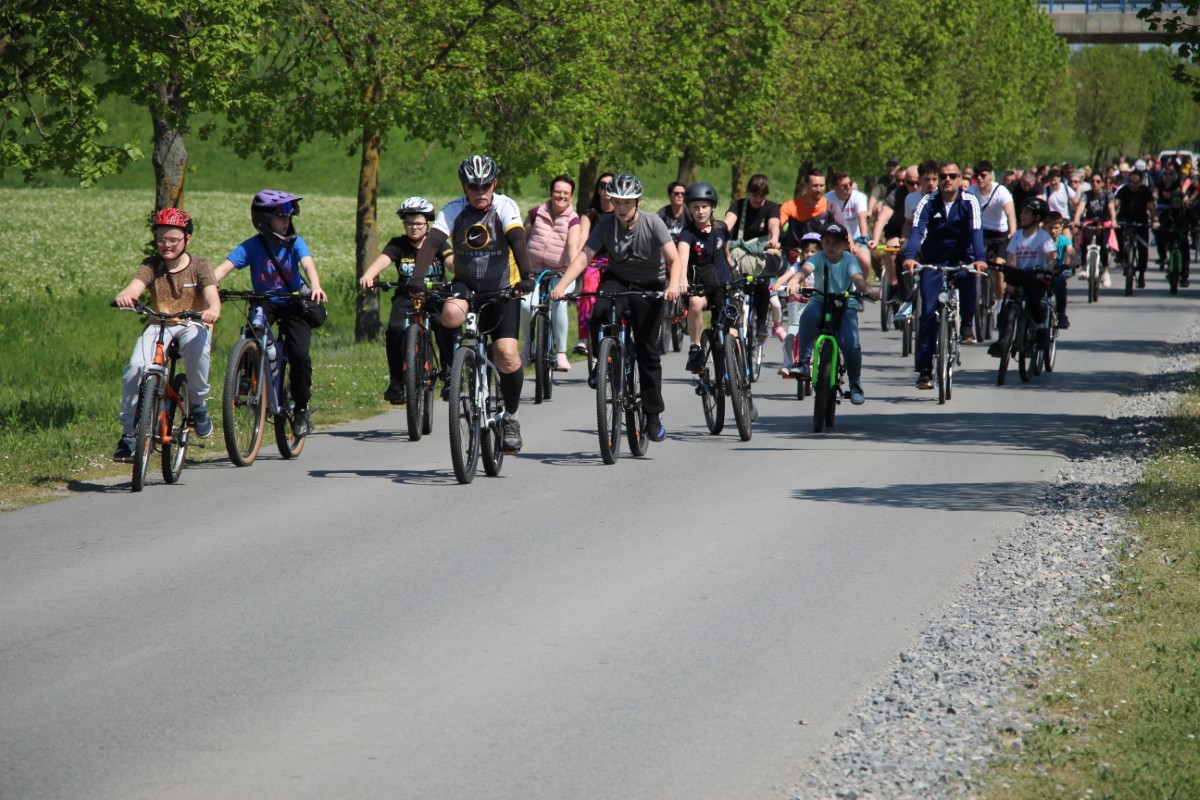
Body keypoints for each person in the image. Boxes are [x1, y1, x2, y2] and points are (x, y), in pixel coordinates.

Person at [408, 154, 536, 453]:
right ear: (463, 186)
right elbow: (432, 242)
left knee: (506, 354)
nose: (480, 192)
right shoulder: (454, 209)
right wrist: (417, 277)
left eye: (485, 185)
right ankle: (452, 370)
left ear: (495, 184)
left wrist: (527, 275)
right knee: (450, 314)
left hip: (502, 288)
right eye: (473, 186)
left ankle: (511, 418)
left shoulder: (505, 206)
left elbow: (517, 240)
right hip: (466, 284)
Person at [552, 173, 683, 441]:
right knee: (598, 313)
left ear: (637, 201)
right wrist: (563, 286)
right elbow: (584, 257)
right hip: (618, 280)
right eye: (617, 202)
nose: (622, 208)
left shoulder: (653, 223)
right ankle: (604, 361)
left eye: (627, 202)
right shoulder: (606, 224)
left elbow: (675, 259)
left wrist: (673, 284)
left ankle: (653, 415)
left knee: (648, 353)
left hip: (650, 283)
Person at [214, 190, 327, 438]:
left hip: (295, 302)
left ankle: (301, 408)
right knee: (251, 331)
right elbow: (223, 269)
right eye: (280, 216)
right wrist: (208, 287)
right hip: (266, 301)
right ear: (264, 220)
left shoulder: (296, 242)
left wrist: (316, 286)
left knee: (299, 354)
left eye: (288, 215)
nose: (286, 220)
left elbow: (307, 264)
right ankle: (248, 377)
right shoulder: (252, 245)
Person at [112, 209, 221, 462]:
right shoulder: (151, 265)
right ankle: (128, 434)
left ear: (187, 239)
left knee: (197, 349)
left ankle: (198, 403)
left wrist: (213, 309)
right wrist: (126, 296)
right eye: (161, 239)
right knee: (134, 368)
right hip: (159, 323)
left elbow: (211, 294)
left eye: (173, 239)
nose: (166, 245)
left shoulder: (200, 264)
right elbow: (135, 286)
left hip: (193, 322)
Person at [359, 196, 453, 404]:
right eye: (409, 223)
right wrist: (369, 275)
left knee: (443, 324)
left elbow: (450, 261)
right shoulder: (398, 244)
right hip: (406, 296)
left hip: (435, 295)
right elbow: (383, 260)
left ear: (427, 223)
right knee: (394, 329)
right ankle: (396, 383)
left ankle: (449, 375)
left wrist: (459, 271)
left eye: (418, 223)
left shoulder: (437, 243)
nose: (414, 227)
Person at [901, 161, 987, 389]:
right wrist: (911, 256)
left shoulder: (970, 201)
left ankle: (967, 324)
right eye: (942, 176)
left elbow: (976, 231)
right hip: (933, 260)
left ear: (960, 179)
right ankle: (925, 371)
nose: (947, 179)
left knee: (968, 277)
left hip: (961, 257)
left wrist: (980, 258)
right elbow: (917, 230)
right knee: (927, 314)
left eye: (952, 175)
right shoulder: (927, 202)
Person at [782, 222, 879, 405]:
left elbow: (858, 279)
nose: (831, 247)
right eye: (827, 242)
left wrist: (868, 290)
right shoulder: (818, 257)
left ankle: (855, 384)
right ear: (822, 243)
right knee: (807, 317)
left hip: (845, 304)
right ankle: (803, 363)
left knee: (850, 343)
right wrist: (795, 280)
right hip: (820, 301)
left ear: (845, 245)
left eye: (836, 243)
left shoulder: (849, 259)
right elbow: (804, 270)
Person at [522, 175, 582, 371]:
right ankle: (527, 346)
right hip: (533, 271)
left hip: (561, 272)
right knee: (524, 304)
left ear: (571, 196)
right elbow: (521, 239)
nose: (561, 196)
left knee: (559, 302)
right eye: (558, 191)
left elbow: (572, 247)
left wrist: (570, 276)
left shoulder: (573, 220)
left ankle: (561, 352)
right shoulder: (535, 213)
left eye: (566, 193)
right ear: (551, 193)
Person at [988, 197, 1057, 358]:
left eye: (1026, 213)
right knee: (1007, 303)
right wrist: (1010, 279)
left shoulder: (1043, 237)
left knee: (1034, 299)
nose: (1021, 215)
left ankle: (1040, 330)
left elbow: (1051, 257)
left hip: (1037, 277)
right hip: (1020, 275)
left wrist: (1049, 268)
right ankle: (1003, 341)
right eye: (1022, 212)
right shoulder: (1017, 236)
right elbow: (1012, 259)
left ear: (1037, 217)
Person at [679, 181, 735, 373]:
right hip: (700, 286)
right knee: (694, 303)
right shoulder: (687, 233)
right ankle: (695, 348)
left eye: (704, 206)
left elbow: (725, 251)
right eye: (695, 207)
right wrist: (682, 280)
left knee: (732, 327)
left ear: (712, 207)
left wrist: (731, 264)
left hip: (723, 285)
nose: (700, 211)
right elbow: (682, 257)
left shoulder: (721, 229)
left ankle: (738, 368)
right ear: (689, 209)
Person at [724, 173, 781, 338]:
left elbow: (774, 224)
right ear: (749, 192)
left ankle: (761, 322)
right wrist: (721, 232)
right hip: (739, 252)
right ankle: (728, 316)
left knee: (762, 279)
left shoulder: (771, 208)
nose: (758, 199)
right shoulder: (738, 205)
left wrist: (774, 238)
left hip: (763, 251)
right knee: (728, 281)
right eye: (755, 195)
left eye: (762, 196)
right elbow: (728, 223)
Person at [574, 172, 615, 355]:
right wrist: (579, 262)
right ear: (598, 190)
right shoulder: (590, 215)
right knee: (588, 290)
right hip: (595, 261)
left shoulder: (621, 212)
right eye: (602, 186)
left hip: (616, 262)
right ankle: (583, 337)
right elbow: (583, 239)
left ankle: (623, 332)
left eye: (610, 186)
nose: (606, 189)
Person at [774, 230, 822, 376]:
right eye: (806, 251)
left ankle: (819, 360)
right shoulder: (798, 266)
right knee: (791, 333)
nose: (809, 254)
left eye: (813, 251)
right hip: (798, 305)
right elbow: (786, 276)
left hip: (817, 304)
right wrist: (778, 283)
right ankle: (787, 363)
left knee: (818, 334)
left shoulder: (822, 267)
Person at [1072, 170, 1116, 288]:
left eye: (1098, 181)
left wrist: (1113, 220)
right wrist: (1076, 220)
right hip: (1090, 221)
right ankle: (1083, 267)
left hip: (1104, 222)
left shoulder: (1108, 194)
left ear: (1102, 183)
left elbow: (1111, 208)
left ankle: (1105, 271)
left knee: (1104, 246)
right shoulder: (1086, 194)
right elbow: (1081, 208)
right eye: (1093, 181)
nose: (1095, 183)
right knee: (1085, 240)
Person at [1114, 168, 1157, 289]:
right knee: (1117, 231)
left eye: (1135, 182)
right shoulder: (1123, 190)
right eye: (1130, 181)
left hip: (1141, 221)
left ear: (1140, 182)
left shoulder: (1145, 191)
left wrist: (1155, 220)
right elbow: (1116, 203)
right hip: (1124, 219)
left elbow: (1151, 207)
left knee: (1143, 249)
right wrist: (1112, 215)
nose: (1131, 184)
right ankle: (1120, 255)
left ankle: (1141, 274)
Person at [825, 171, 872, 278]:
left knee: (865, 261)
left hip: (857, 236)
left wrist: (862, 238)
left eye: (850, 184)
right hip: (836, 236)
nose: (848, 187)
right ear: (835, 187)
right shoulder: (827, 198)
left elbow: (862, 219)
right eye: (844, 185)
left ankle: (861, 286)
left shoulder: (859, 197)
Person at [1153, 167, 1191, 287]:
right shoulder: (1159, 186)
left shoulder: (1185, 210)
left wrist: (1194, 226)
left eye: (1170, 175)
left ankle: (1184, 277)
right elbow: (1154, 194)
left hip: (1182, 231)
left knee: (1185, 250)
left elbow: (1193, 219)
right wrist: (1158, 223)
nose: (1167, 177)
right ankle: (1163, 256)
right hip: (1164, 216)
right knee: (1159, 233)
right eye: (1165, 175)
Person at [779, 168, 834, 249]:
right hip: (796, 252)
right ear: (805, 185)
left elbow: (843, 228)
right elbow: (776, 224)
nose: (819, 189)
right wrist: (774, 237)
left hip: (822, 253)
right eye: (815, 186)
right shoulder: (790, 206)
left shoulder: (831, 206)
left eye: (822, 186)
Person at [1045, 210, 1076, 329]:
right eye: (1050, 228)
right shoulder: (1042, 240)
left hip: (1057, 271)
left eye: (1056, 228)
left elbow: (1070, 250)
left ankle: (1061, 314)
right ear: (1045, 227)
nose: (1053, 231)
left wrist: (1073, 260)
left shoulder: (1064, 240)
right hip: (1043, 271)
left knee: (1061, 283)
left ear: (1062, 227)